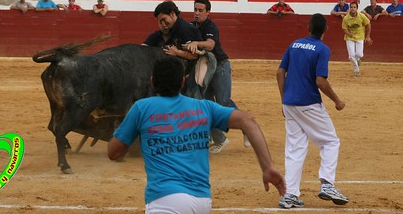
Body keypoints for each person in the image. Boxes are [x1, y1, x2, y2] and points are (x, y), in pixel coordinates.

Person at [108, 56, 286, 213]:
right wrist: (267, 166)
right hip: (202, 201)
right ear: (182, 82)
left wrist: (130, 130)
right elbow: (248, 121)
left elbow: (113, 152)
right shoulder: (203, 107)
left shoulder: (141, 108)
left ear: (152, 82)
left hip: (165, 199)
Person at [276, 13, 348, 209]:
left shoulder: (295, 44)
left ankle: (290, 195)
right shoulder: (322, 49)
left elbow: (280, 72)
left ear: (308, 28)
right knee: (330, 141)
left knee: (295, 148)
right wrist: (337, 101)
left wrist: (284, 100)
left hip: (290, 103)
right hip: (308, 103)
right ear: (325, 30)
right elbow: (320, 81)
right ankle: (327, 184)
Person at [184, 0, 250, 154]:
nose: (197, 13)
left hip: (220, 67)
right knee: (207, 105)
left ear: (208, 12)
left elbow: (210, 44)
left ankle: (246, 126)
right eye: (195, 10)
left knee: (223, 101)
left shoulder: (210, 26)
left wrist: (196, 43)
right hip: (205, 69)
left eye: (200, 11)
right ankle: (219, 139)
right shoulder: (191, 26)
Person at [342, 2, 372, 76]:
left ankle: (358, 59)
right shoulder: (346, 18)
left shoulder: (361, 16)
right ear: (350, 8)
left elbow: (368, 24)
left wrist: (367, 36)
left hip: (360, 37)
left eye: (354, 7)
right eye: (351, 7)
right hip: (349, 37)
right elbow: (344, 28)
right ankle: (356, 69)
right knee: (351, 55)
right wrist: (349, 34)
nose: (353, 9)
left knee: (359, 54)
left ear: (357, 8)